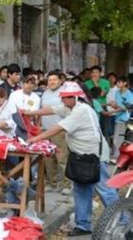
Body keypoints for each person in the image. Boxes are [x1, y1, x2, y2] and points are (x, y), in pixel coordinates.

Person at [24, 81, 119, 236]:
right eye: (62, 97)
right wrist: (30, 113)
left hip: (95, 156)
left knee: (105, 191)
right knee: (81, 190)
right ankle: (83, 225)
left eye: (65, 97)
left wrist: (37, 138)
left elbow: (58, 128)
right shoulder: (70, 106)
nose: (63, 100)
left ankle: (123, 221)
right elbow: (51, 109)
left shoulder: (81, 110)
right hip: (80, 157)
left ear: (75, 97)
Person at [41, 71, 70, 194]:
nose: (52, 82)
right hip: (46, 130)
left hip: (60, 130)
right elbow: (42, 110)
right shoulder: (45, 93)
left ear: (60, 81)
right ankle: (51, 182)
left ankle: (66, 185)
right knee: (48, 158)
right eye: (49, 80)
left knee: (62, 158)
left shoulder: (64, 93)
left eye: (54, 79)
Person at [111, 77, 133, 161]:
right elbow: (117, 104)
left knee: (118, 137)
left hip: (124, 118)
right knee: (117, 137)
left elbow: (128, 107)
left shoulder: (129, 94)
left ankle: (117, 156)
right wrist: (113, 105)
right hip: (117, 117)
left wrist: (116, 107)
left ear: (125, 83)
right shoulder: (117, 92)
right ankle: (117, 155)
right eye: (117, 82)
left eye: (119, 82)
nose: (117, 84)